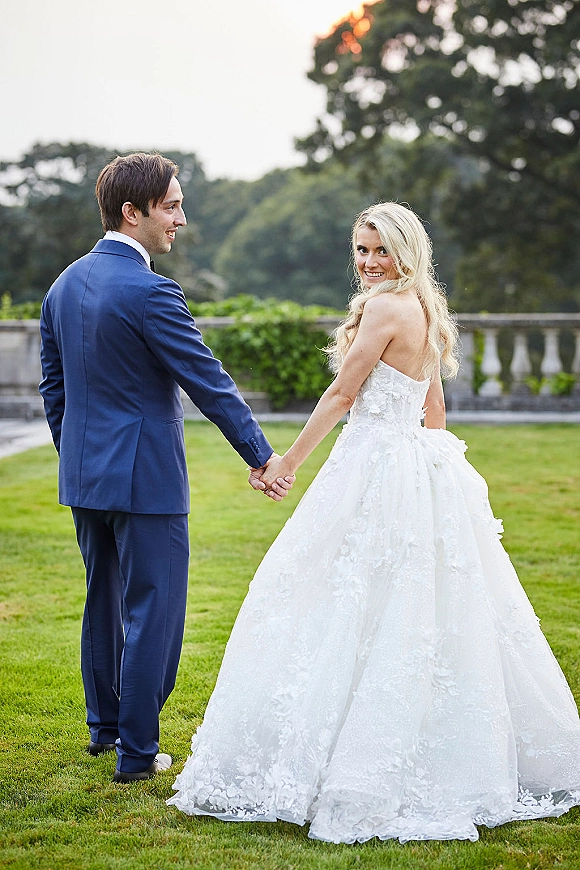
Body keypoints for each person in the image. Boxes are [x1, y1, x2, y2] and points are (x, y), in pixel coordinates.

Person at [167, 202, 580, 842]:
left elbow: (342, 396)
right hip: (408, 466)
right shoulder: (425, 308)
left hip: (372, 466)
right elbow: (433, 410)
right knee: (400, 605)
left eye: (380, 251)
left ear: (405, 252)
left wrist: (287, 463)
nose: (367, 263)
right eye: (360, 250)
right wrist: (430, 476)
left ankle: (343, 760)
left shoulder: (388, 308)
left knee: (331, 596)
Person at [39, 152, 292, 784]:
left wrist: (77, 457)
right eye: (172, 206)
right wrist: (263, 456)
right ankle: (138, 752)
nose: (181, 218)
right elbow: (210, 383)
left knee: (103, 602)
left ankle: (105, 733)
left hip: (85, 478)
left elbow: (53, 390)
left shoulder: (62, 286)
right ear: (134, 212)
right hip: (146, 479)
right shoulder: (152, 292)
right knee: (155, 610)